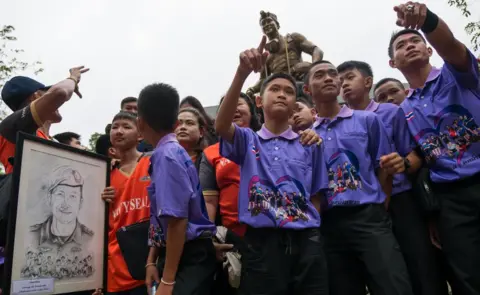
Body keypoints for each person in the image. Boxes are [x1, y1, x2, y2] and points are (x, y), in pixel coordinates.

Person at [215, 36, 329, 295]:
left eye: (289, 92)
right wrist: (242, 74)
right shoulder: (248, 140)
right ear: (258, 101)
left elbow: (316, 196)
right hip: (261, 244)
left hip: (307, 242)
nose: (282, 94)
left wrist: (312, 236)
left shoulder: (310, 143)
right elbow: (221, 126)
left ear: (295, 103)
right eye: (275, 89)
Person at [388, 2, 480, 294]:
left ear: (429, 50)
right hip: (450, 199)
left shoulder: (457, 74)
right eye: (401, 45)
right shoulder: (402, 111)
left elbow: (450, 45)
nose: (410, 45)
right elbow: (417, 155)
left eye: (416, 40)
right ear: (392, 63)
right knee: (467, 275)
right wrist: (401, 165)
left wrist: (426, 20)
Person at [303, 60, 413, 295]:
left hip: (370, 218)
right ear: (307, 90)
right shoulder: (308, 137)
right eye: (320, 75)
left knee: (394, 286)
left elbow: (382, 166)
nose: (329, 78)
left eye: (333, 74)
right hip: (330, 225)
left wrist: (381, 203)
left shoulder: (367, 120)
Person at [338, 60, 446, 295]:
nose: (343, 83)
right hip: (364, 207)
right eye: (340, 80)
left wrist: (400, 165)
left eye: (349, 77)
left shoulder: (390, 112)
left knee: (419, 261)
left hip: (400, 198)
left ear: (367, 82)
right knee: (384, 270)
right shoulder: (338, 124)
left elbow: (413, 151)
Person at [138, 83, 217, 295]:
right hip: (179, 251)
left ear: (140, 122)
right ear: (174, 123)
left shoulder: (167, 156)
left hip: (190, 255)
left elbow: (177, 221)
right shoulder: (172, 152)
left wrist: (168, 281)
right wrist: (151, 262)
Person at [0, 66, 89, 174]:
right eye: (48, 92)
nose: (59, 103)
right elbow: (60, 92)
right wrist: (73, 79)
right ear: (36, 97)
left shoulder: (53, 141)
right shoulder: (14, 129)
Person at [100, 111, 150, 295]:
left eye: (126, 127)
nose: (119, 131)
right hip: (118, 268)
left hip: (153, 261)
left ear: (140, 135)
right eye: (115, 127)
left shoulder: (154, 162)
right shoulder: (103, 173)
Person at [29, 166, 93, 255]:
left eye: (73, 196)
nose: (65, 204)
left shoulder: (91, 240)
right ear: (49, 198)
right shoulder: (32, 235)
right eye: (60, 194)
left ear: (80, 203)